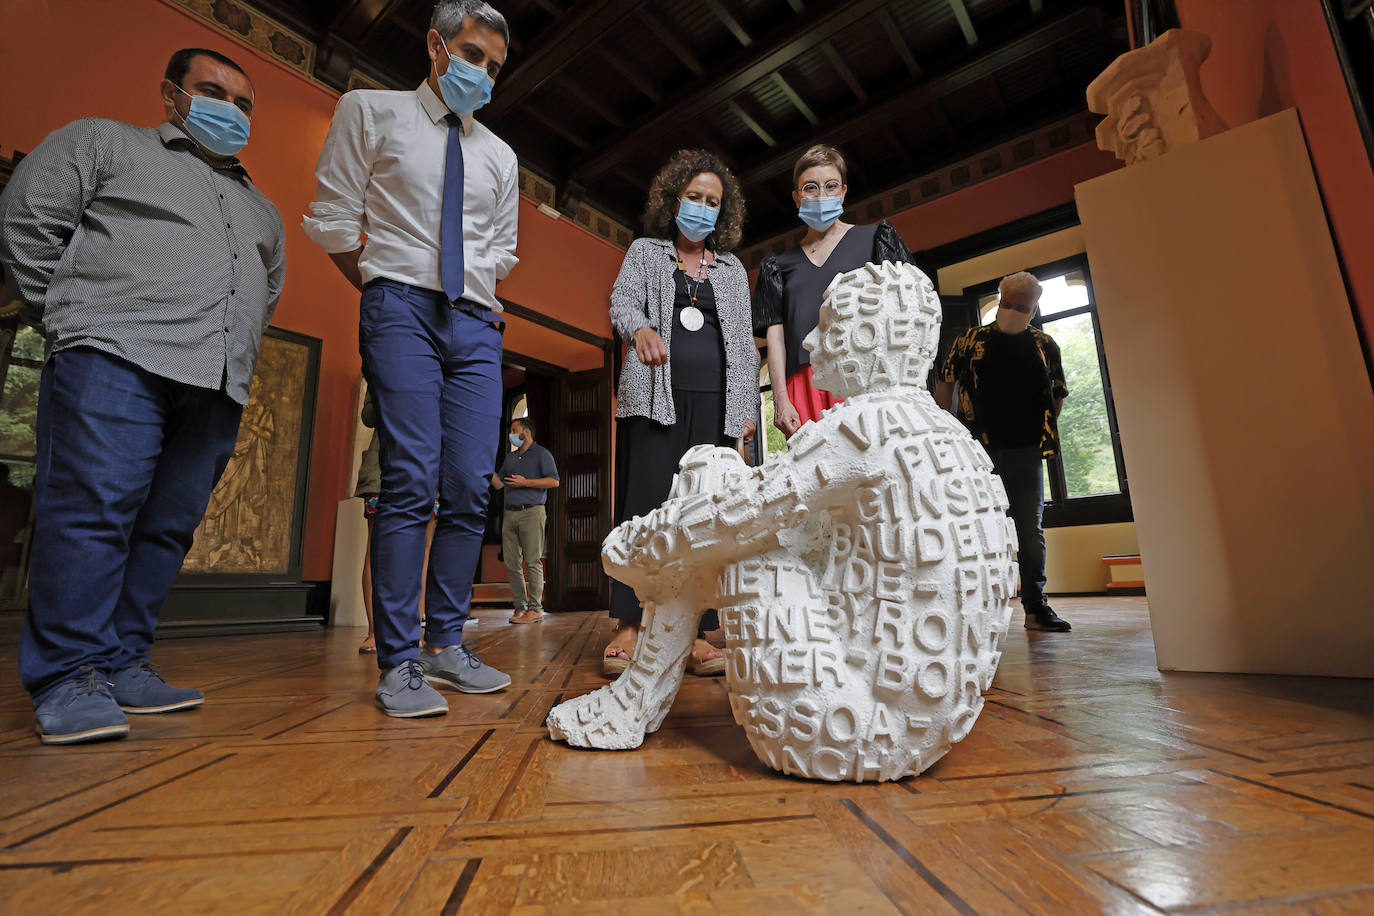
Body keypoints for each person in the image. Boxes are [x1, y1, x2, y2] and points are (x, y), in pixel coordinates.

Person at [0, 48, 285, 744]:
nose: (231, 110)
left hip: (215, 381)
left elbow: (266, 291)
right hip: (114, 357)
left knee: (164, 528)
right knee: (93, 508)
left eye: (244, 103)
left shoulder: (262, 209)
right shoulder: (104, 141)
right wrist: (74, 317)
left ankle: (124, 660)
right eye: (213, 91)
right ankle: (69, 675)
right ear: (170, 94)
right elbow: (27, 221)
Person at [304, 0, 516, 716]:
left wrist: (481, 302)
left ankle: (446, 644)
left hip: (476, 325)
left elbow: (500, 250)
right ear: (436, 45)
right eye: (471, 53)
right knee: (410, 480)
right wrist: (384, 292)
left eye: (493, 65)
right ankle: (398, 662)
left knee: (467, 485)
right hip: (401, 309)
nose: (481, 72)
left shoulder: (500, 155)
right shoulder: (370, 111)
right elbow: (334, 218)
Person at [605, 149, 758, 678]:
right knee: (645, 509)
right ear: (674, 200)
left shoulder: (734, 271)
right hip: (653, 399)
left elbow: (743, 345)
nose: (702, 208)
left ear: (724, 211)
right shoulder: (646, 253)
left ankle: (692, 632)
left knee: (703, 517)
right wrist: (640, 329)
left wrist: (744, 411)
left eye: (712, 201)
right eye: (694, 197)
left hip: (715, 408)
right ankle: (629, 623)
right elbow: (621, 303)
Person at [936, 272, 1073, 633]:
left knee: (1030, 530)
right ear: (999, 301)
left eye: (1021, 307)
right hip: (975, 451)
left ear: (1034, 308)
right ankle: (970, 608)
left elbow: (1057, 394)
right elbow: (946, 384)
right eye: (1007, 304)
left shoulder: (1045, 345)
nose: (1012, 311)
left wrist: (1038, 429)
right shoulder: (969, 341)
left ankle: (1035, 606)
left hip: (1026, 449)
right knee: (971, 529)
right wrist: (943, 433)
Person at [753, 144, 913, 439]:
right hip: (804, 387)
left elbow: (906, 309)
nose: (821, 195)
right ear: (797, 198)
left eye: (831, 186)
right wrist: (781, 399)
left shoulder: (876, 240)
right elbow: (776, 338)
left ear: (843, 192)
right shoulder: (777, 266)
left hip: (868, 379)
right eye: (810, 188)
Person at [353, 392, 447, 655]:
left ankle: (414, 630)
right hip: (382, 469)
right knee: (377, 551)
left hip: (426, 468)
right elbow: (368, 416)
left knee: (424, 550)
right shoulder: (381, 360)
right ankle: (374, 630)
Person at [490, 416, 558, 623]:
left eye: (513, 430)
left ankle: (535, 608)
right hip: (510, 514)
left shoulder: (542, 454)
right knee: (511, 563)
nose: (511, 434)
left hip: (532, 512)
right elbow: (499, 484)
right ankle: (520, 607)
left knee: (532, 561)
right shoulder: (510, 458)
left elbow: (554, 481)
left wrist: (525, 482)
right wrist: (484, 468)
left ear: (525, 432)